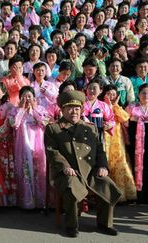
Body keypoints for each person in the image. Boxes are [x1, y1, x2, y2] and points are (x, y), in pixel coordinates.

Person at [44, 90, 122, 238]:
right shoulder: (53, 128)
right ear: (63, 110)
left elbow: (100, 150)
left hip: (90, 171)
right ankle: (71, 225)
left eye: (77, 108)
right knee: (71, 187)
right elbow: (52, 151)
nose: (74, 111)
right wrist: (65, 167)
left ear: (81, 109)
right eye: (70, 108)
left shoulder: (90, 127)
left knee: (106, 184)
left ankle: (104, 224)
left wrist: (102, 166)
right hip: (66, 172)